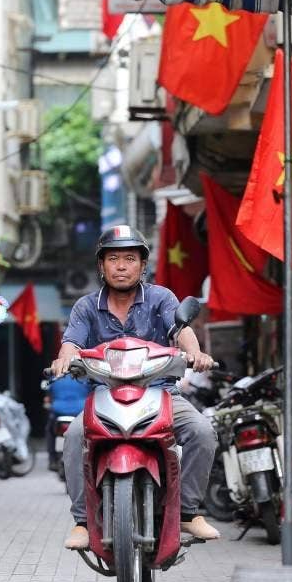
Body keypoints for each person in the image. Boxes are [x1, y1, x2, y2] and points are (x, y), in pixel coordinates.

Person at [50, 225, 219, 549]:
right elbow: (71, 342)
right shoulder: (86, 306)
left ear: (143, 265)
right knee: (72, 438)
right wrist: (63, 359)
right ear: (102, 266)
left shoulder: (160, 298)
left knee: (201, 431)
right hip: (104, 396)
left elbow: (180, 328)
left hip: (161, 393)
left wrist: (195, 354)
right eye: (113, 259)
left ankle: (187, 513)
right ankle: (83, 522)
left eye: (130, 258)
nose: (122, 266)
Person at [44, 374, 89, 471]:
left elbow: (49, 396)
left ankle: (52, 460)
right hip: (79, 412)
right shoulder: (85, 378)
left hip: (58, 411)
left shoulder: (55, 378)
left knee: (50, 431)